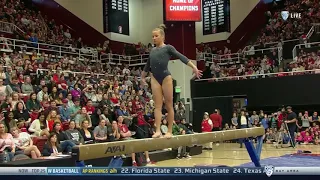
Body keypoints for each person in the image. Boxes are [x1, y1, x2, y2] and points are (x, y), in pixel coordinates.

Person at [141, 24, 202, 139]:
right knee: (157, 106)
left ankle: (169, 131)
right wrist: (142, 77)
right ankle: (158, 130)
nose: (153, 38)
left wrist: (193, 66)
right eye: (152, 36)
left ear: (162, 37)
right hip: (154, 78)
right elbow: (147, 65)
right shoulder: (152, 51)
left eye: (156, 36)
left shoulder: (168, 48)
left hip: (165, 77)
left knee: (169, 105)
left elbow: (181, 57)